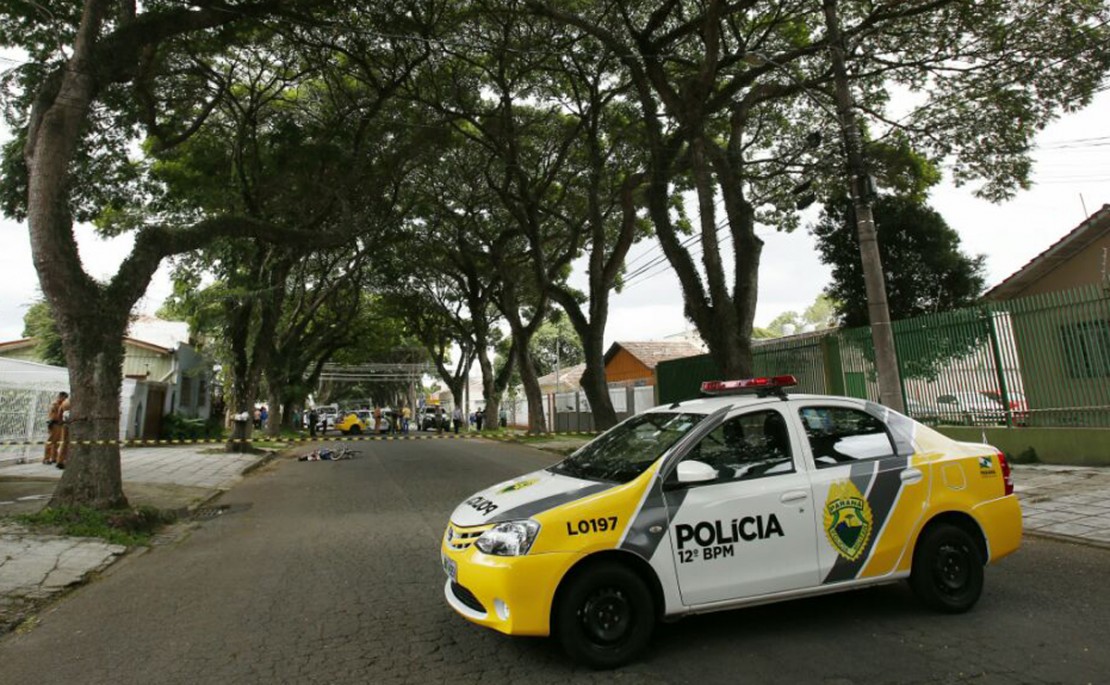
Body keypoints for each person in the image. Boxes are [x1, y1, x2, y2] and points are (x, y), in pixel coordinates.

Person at [43, 391, 68, 466]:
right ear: (60, 397)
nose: (65, 399)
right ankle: (46, 458)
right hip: (54, 424)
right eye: (64, 398)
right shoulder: (55, 404)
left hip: (60, 425)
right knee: (50, 441)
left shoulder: (62, 404)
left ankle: (54, 457)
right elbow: (53, 416)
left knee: (57, 442)